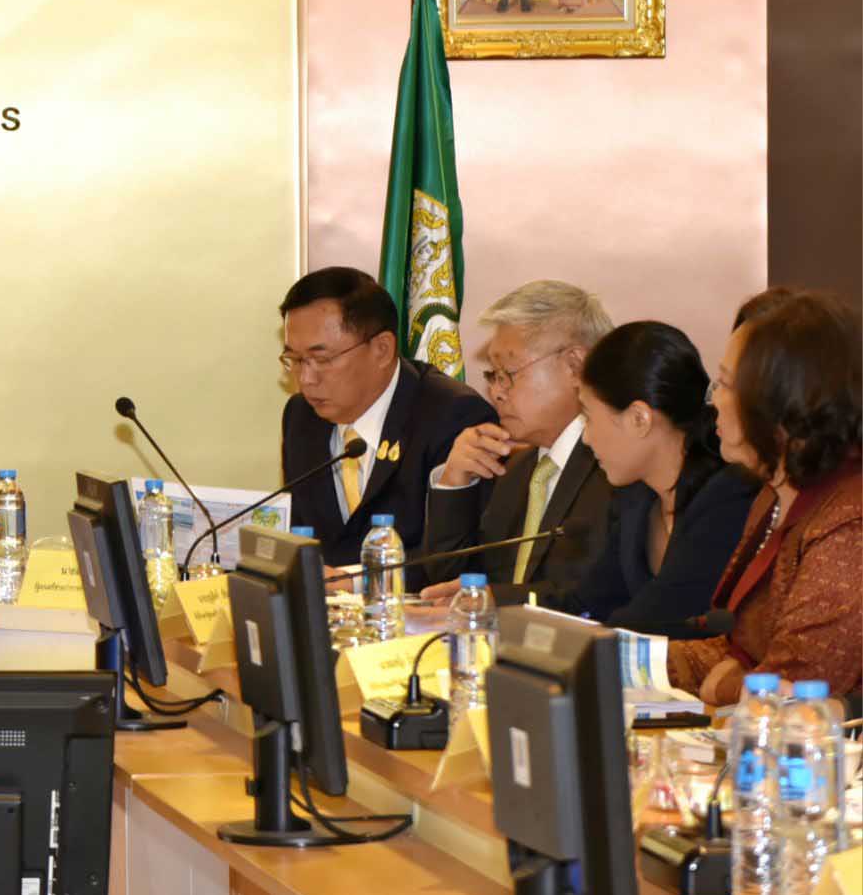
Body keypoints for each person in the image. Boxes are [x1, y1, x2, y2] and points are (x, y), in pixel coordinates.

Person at [670, 291, 863, 705]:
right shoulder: (774, 495)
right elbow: (738, 648)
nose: (713, 401)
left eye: (725, 384)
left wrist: (726, 684)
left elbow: (797, 689)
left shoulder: (849, 523)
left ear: (778, 404)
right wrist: (617, 659)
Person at [278, 266, 495, 555]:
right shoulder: (300, 416)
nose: (306, 379)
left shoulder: (453, 416)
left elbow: (455, 558)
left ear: (382, 349)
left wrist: (351, 576)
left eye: (323, 359)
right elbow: (303, 536)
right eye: (295, 360)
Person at [419, 281, 614, 603]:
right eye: (493, 375)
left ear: (575, 367)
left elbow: (597, 595)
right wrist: (455, 482)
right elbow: (451, 582)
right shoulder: (515, 469)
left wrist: (500, 601)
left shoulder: (616, 468)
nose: (496, 392)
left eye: (507, 373)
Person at [570, 322, 761, 636]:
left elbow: (659, 619)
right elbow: (589, 602)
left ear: (639, 419)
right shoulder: (635, 499)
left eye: (588, 417)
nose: (586, 438)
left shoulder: (728, 496)